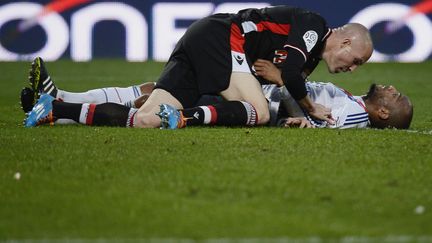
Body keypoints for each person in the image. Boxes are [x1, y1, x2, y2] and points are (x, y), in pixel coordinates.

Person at [25, 6, 373, 129]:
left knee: (147, 117)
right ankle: (188, 119)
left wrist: (292, 96)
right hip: (222, 36)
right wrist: (311, 107)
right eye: (355, 60)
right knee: (259, 113)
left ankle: (54, 109)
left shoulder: (308, 55)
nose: (353, 69)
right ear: (343, 42)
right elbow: (291, 76)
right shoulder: (314, 24)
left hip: (207, 42)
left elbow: (287, 77)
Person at [22, 59, 413, 130]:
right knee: (157, 90)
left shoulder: (355, 116)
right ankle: (60, 100)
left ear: (383, 115)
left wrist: (281, 81)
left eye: (397, 99)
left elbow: (312, 120)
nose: (393, 90)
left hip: (259, 100)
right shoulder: (355, 104)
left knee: (162, 95)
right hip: (261, 91)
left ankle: (60, 105)